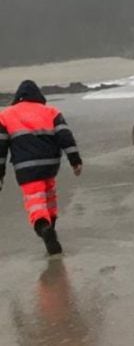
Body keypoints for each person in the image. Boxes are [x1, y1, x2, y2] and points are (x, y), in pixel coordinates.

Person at [0, 80, 82, 255]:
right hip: (50, 165)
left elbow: (1, 148)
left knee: (35, 201)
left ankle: (44, 228)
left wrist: (0, 172)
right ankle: (51, 226)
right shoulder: (51, 112)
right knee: (49, 196)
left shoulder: (6, 115)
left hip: (26, 168)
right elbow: (66, 137)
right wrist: (75, 160)